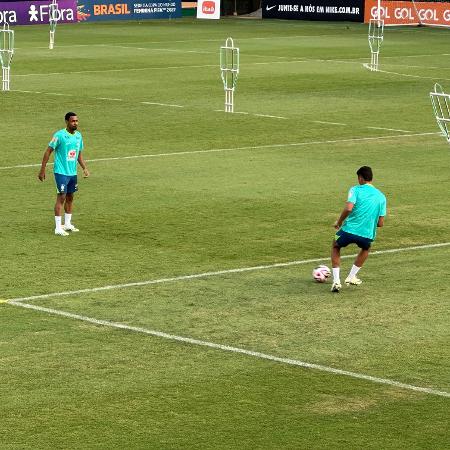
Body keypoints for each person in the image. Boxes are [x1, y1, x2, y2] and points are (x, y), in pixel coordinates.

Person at [330, 166, 386, 293]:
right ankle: (351, 277)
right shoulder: (381, 196)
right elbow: (381, 223)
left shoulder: (355, 189)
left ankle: (336, 281)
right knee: (366, 248)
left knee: (335, 245)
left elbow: (349, 208)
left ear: (360, 178)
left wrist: (339, 222)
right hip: (366, 234)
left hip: (349, 231)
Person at [38, 112, 89, 236]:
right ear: (66, 122)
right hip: (61, 172)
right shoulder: (59, 135)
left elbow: (78, 154)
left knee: (70, 197)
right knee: (61, 197)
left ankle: (67, 224)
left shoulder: (78, 136)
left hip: (72, 173)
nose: (75, 123)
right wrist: (42, 169)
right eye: (73, 121)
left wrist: (84, 168)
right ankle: (57, 228)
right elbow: (48, 151)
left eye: (76, 121)